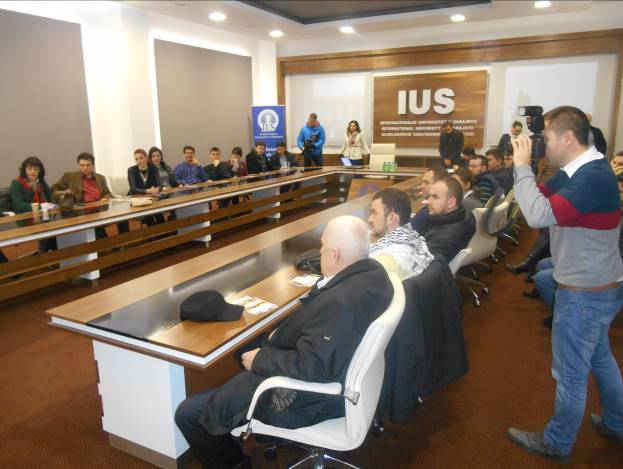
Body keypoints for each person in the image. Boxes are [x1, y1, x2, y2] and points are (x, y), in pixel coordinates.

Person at [174, 215, 393, 469]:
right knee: (243, 343)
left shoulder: (340, 304)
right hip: (337, 369)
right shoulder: (374, 275)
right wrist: (277, 336)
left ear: (335, 255)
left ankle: (236, 462)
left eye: (323, 247)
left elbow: (314, 366)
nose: (319, 250)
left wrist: (261, 358)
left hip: (306, 398)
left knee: (188, 414)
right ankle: (252, 422)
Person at [507, 106, 623, 464]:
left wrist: (522, 166)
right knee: (600, 358)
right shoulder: (578, 171)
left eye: (547, 138)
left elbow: (537, 214)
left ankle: (557, 442)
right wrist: (525, 172)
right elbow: (535, 196)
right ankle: (618, 423)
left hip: (585, 293)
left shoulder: (593, 178)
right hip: (600, 285)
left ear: (568, 138)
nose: (544, 144)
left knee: (571, 373)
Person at [51, 152, 129, 239]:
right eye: (82, 165)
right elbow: (54, 189)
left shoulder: (100, 178)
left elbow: (107, 193)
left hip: (100, 209)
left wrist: (104, 198)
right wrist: (63, 193)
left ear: (93, 165)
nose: (85, 168)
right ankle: (105, 243)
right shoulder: (70, 176)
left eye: (88, 165)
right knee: (98, 230)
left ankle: (124, 241)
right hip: (83, 213)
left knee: (123, 218)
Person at [368, 188, 433, 281]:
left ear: (391, 218)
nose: (369, 219)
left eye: (374, 213)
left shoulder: (385, 262)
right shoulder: (413, 240)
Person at [416, 176, 476, 263]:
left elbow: (418, 263)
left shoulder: (442, 240)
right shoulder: (464, 215)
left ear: (451, 202)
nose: (428, 202)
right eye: (429, 196)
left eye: (435, 197)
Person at [9, 156, 57, 252]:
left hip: (44, 216)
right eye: (29, 169)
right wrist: (41, 207)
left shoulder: (41, 182)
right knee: (50, 235)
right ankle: (45, 254)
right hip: (26, 219)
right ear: (24, 170)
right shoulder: (16, 183)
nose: (33, 172)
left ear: (40, 170)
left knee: (59, 232)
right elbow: (18, 204)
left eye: (36, 169)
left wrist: (53, 204)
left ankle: (50, 252)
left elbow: (50, 196)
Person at [409, 166, 448, 232]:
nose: (422, 186)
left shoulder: (428, 213)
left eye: (426, 182)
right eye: (422, 182)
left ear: (440, 184)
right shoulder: (446, 208)